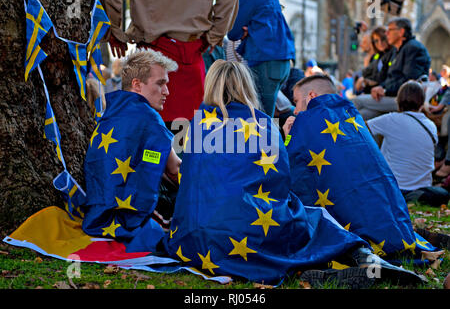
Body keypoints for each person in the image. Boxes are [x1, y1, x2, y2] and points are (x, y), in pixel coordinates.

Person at [163, 60, 425, 288]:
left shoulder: (195, 126)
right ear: (246, 86)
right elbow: (281, 183)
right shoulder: (263, 123)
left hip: (194, 240)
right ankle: (360, 257)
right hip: (246, 233)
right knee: (317, 217)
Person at [283, 74, 437, 264]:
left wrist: (289, 137)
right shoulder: (352, 115)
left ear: (312, 97)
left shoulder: (307, 121)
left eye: (297, 102)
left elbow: (289, 174)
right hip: (393, 223)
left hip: (354, 228)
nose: (296, 110)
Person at [80, 48, 181, 253]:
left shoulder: (110, 112)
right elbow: (175, 170)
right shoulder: (150, 119)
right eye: (160, 84)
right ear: (137, 85)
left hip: (99, 213)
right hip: (132, 216)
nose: (167, 92)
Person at [100, 0, 239, 129]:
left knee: (148, 134)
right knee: (191, 136)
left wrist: (113, 31)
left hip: (151, 57)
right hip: (190, 53)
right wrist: (215, 35)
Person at [366, 81, 449, 206]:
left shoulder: (391, 119)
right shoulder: (430, 125)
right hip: (424, 188)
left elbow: (358, 128)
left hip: (395, 187)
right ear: (421, 102)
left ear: (398, 101)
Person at [227, 0, 296, 118]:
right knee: (266, 117)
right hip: (279, 60)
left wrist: (246, 30)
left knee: (260, 120)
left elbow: (233, 31)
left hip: (265, 61)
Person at [352, 17, 431, 120]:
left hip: (405, 101)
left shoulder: (413, 48)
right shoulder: (397, 51)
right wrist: (380, 88)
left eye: (390, 30)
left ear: (401, 32)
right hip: (391, 96)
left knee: (356, 102)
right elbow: (390, 78)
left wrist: (384, 90)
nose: (387, 33)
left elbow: (409, 81)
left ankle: (332, 131)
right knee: (363, 115)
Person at [355, 26, 394, 95]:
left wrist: (366, 81)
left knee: (357, 101)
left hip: (384, 92)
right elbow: (366, 71)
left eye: (383, 39)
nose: (380, 43)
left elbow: (382, 77)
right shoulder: (379, 56)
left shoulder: (391, 54)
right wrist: (362, 79)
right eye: (376, 41)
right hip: (373, 91)